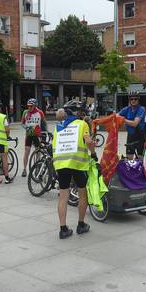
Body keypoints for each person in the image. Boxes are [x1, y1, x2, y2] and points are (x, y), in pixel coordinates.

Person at [53, 101, 96, 239]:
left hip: (61, 165)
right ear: (77, 112)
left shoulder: (58, 126)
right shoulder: (81, 124)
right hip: (78, 165)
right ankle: (81, 224)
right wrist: (94, 154)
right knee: (83, 193)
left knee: (63, 196)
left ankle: (63, 228)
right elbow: (88, 141)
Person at [21, 98, 46, 177]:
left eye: (31, 106)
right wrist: (26, 127)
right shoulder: (25, 112)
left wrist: (44, 133)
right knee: (27, 152)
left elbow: (44, 123)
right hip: (29, 135)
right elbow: (22, 123)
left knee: (38, 152)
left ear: (35, 105)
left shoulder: (40, 112)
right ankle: (24, 169)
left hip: (37, 135)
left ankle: (37, 167)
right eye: (28, 106)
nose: (29, 107)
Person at [119, 92, 146, 159]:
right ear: (129, 100)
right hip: (131, 136)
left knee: (140, 160)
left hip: (140, 136)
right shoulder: (126, 109)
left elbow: (135, 123)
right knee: (129, 159)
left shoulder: (141, 109)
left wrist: (123, 119)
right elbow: (116, 116)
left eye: (135, 99)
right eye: (131, 99)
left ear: (138, 100)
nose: (133, 100)